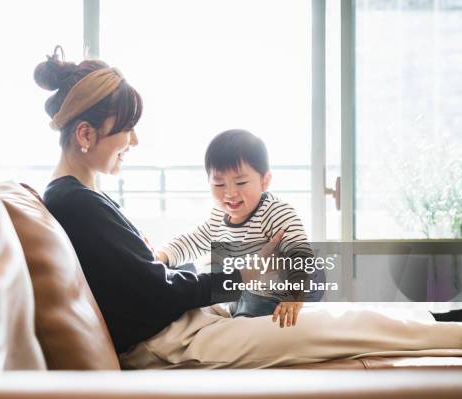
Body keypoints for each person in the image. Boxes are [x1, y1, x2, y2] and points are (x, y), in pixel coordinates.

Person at [37, 46, 462, 369]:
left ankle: (445, 322)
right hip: (177, 338)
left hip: (192, 321)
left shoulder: (76, 199)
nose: (133, 143)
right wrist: (242, 274)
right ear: (87, 135)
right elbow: (152, 295)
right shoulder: (75, 203)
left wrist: (159, 261)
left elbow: (144, 281)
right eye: (125, 131)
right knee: (346, 327)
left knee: (347, 316)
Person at [155, 129, 321, 326]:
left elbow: (301, 255)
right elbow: (195, 239)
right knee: (187, 275)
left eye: (241, 182)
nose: (230, 193)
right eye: (219, 184)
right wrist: (162, 255)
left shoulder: (274, 212)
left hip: (278, 290)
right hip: (245, 286)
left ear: (264, 181)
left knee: (250, 310)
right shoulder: (219, 214)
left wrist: (294, 297)